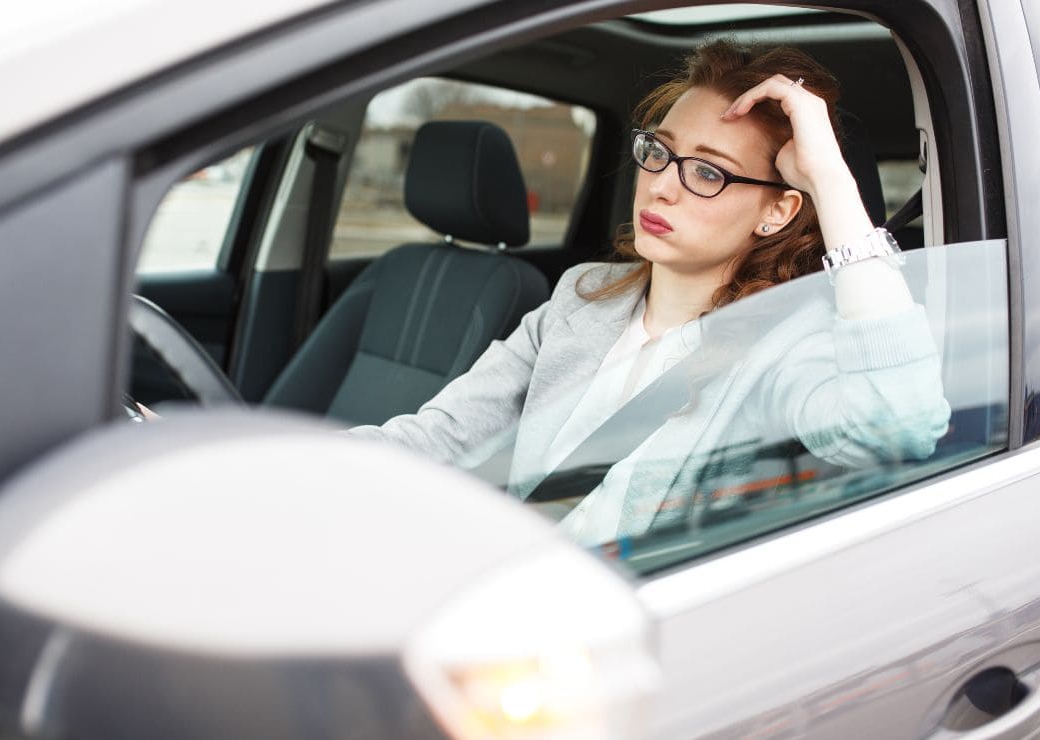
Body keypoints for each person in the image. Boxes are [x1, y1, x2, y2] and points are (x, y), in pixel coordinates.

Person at [350, 41, 951, 545]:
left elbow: (898, 425)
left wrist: (830, 180)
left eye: (709, 172)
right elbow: (441, 436)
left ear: (777, 211)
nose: (663, 186)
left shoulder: (787, 343)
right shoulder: (583, 297)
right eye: (660, 152)